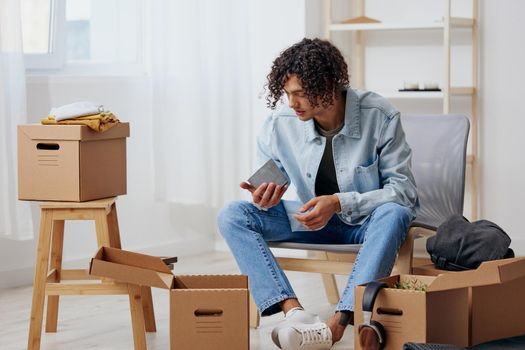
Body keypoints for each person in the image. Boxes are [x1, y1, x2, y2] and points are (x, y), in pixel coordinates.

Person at [217, 38, 418, 350]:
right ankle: (294, 314)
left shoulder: (379, 115)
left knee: (396, 213)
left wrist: (338, 202)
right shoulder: (279, 124)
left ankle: (337, 325)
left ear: (328, 85)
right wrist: (264, 193)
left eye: (299, 93)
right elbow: (275, 173)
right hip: (308, 219)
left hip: (364, 223)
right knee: (232, 214)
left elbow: (404, 192)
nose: (292, 102)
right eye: (287, 94)